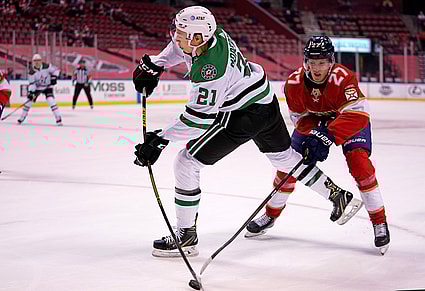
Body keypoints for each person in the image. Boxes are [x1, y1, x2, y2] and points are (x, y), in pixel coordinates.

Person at [132, 7, 361, 258]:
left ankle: (186, 236)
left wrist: (160, 139)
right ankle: (337, 195)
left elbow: (198, 120)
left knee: (186, 163)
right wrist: (157, 63)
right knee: (283, 157)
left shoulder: (210, 69)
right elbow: (179, 48)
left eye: (180, 33)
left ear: (198, 38)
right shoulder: (212, 34)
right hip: (264, 100)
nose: (175, 37)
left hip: (242, 116)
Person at [247, 35, 390, 254]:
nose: (316, 68)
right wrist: (313, 134)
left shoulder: (344, 78)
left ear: (331, 61)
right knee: (288, 166)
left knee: (360, 164)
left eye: (322, 62)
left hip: (347, 121)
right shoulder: (294, 83)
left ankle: (379, 222)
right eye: (312, 62)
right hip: (315, 122)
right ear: (305, 61)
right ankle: (270, 215)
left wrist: (326, 135)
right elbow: (299, 118)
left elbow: (358, 115)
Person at [17, 54, 62, 126]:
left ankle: (58, 118)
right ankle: (22, 117)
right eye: (35, 61)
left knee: (51, 101)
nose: (37, 62)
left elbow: (56, 70)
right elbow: (32, 83)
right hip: (37, 88)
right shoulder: (31, 72)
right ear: (33, 62)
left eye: (38, 61)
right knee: (28, 102)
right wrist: (31, 92)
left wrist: (54, 77)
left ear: (41, 61)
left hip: (47, 87)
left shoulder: (47, 66)